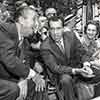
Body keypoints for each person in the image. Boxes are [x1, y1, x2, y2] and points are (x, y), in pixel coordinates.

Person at [0, 6, 45, 100]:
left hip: (6, 77)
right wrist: (32, 75)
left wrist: (23, 78)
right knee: (13, 89)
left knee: (37, 84)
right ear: (21, 20)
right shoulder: (4, 31)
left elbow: (25, 61)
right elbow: (9, 59)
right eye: (34, 19)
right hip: (4, 78)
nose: (37, 24)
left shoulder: (24, 40)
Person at [40, 16, 87, 100]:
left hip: (77, 68)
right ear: (49, 30)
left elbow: (82, 52)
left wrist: (86, 64)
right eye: (52, 29)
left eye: (58, 28)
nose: (55, 32)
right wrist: (75, 71)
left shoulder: (71, 36)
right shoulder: (45, 46)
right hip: (59, 75)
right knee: (66, 79)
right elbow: (55, 68)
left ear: (63, 28)